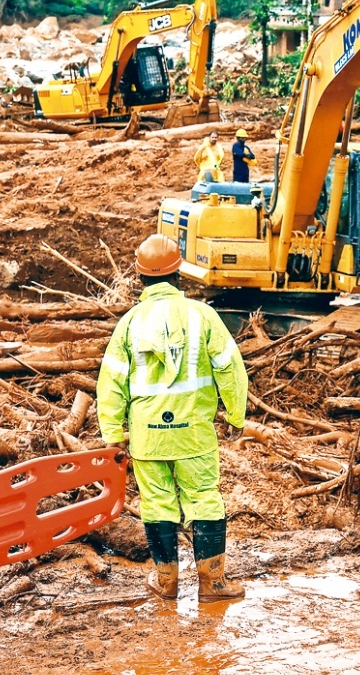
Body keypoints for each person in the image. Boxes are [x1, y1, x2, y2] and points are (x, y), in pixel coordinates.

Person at [98, 235, 249, 603]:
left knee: (157, 503)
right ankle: (212, 585)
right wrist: (236, 413)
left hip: (148, 435)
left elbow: (111, 382)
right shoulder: (203, 316)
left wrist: (113, 434)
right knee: (204, 499)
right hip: (193, 435)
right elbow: (230, 368)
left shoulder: (129, 324)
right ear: (178, 271)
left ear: (139, 275)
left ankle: (166, 584)